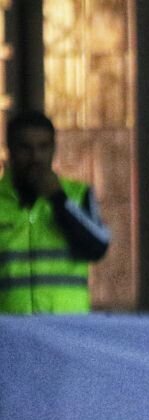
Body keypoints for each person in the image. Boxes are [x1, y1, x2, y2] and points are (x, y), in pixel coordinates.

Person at [0, 110, 109, 314]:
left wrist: (58, 199)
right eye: (26, 148)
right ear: (10, 150)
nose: (36, 157)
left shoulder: (78, 195)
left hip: (65, 329)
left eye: (44, 147)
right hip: (9, 331)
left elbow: (98, 247)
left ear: (53, 148)